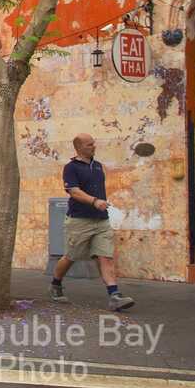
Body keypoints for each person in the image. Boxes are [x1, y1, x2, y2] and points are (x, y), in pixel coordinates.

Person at [52, 133, 135, 311]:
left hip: (101, 221)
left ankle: (114, 295)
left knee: (105, 257)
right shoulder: (71, 168)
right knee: (71, 257)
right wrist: (94, 201)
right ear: (79, 147)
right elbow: (73, 191)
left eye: (93, 143)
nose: (94, 146)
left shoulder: (97, 166)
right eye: (89, 145)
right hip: (79, 220)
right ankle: (56, 284)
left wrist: (101, 205)